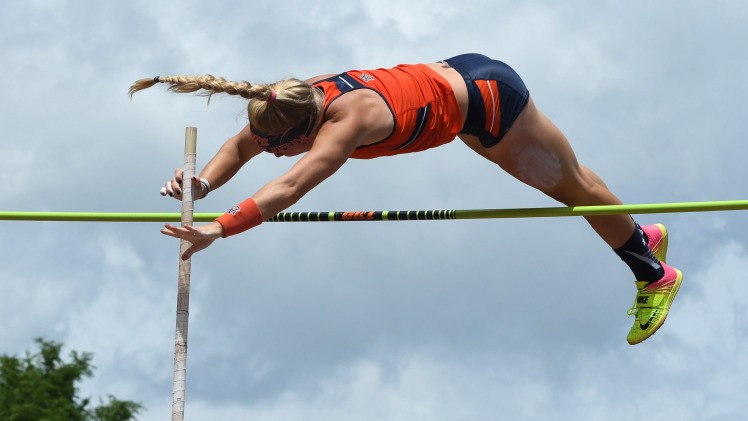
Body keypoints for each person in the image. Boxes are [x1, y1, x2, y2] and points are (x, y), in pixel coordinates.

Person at [129, 53, 682, 345]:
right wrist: (202, 185)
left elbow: (290, 187)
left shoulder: (349, 120)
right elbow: (240, 146)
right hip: (462, 78)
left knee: (575, 193)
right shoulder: (289, 102)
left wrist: (219, 228)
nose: (269, 152)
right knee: (578, 183)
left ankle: (653, 273)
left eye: (279, 147)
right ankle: (638, 235)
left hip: (488, 104)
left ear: (304, 133)